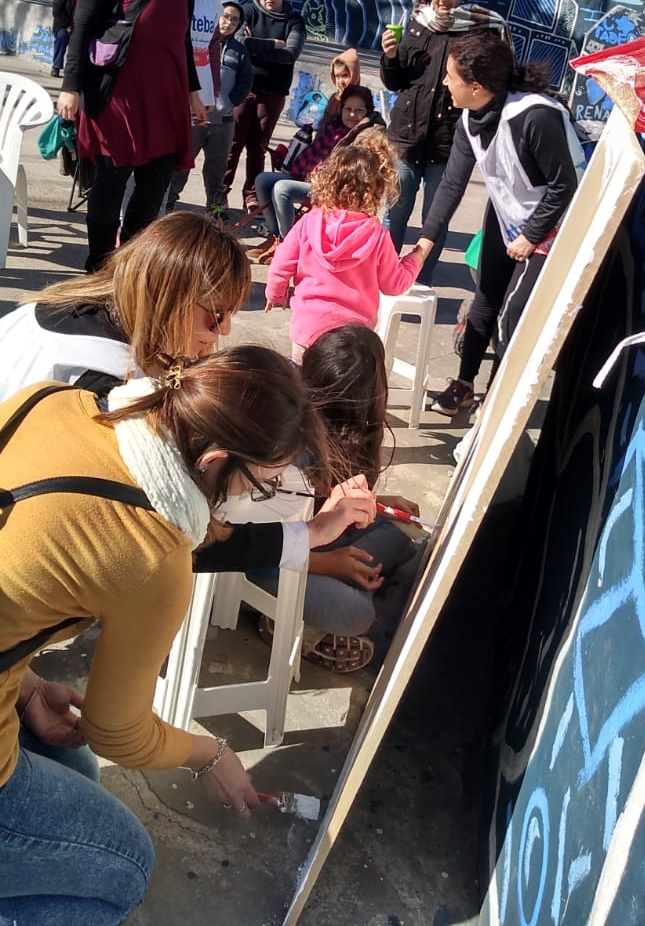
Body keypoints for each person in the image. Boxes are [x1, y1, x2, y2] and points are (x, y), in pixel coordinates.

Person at [0, 346, 375, 924]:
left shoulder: (53, 402)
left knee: (75, 768)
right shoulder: (153, 556)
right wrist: (210, 754)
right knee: (125, 866)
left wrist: (22, 683)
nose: (255, 498)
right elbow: (117, 732)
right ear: (215, 458)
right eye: (262, 484)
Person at [415, 30, 586, 415]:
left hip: (551, 223)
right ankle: (463, 385)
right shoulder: (469, 117)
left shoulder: (535, 116)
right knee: (485, 298)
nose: (445, 83)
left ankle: (496, 401)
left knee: (513, 314)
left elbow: (565, 186)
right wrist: (425, 241)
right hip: (507, 212)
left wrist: (531, 235)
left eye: (451, 77)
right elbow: (452, 183)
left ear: (475, 86)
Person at [248, 324, 422, 672]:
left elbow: (319, 503)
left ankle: (334, 601)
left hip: (307, 544)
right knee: (357, 613)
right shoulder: (288, 445)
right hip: (264, 564)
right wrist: (331, 564)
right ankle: (298, 621)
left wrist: (375, 503)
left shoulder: (321, 431)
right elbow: (255, 550)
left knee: (402, 534)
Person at [57, 0, 207, 273]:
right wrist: (70, 87)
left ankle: (129, 268)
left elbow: (183, 36)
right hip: (117, 96)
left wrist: (194, 92)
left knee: (153, 189)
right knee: (109, 184)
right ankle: (99, 268)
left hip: (165, 98)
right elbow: (82, 28)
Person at [0, 211, 251, 399]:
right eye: (217, 315)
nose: (226, 329)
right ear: (169, 299)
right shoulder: (112, 388)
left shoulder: (68, 302)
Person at [379, 0, 510, 286]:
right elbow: (396, 82)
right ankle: (382, 280)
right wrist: (390, 57)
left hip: (449, 144)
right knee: (394, 213)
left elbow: (493, 87)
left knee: (433, 222)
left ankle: (420, 283)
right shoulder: (417, 23)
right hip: (406, 140)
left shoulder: (481, 31)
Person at [265, 129, 421, 362]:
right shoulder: (376, 235)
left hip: (307, 331)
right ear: (377, 190)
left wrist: (275, 294)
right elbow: (394, 285)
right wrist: (414, 259)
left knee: (302, 381)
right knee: (343, 385)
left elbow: (281, 264)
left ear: (328, 180)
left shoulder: (309, 222)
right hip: (353, 341)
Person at [166, 0, 250, 216]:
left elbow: (243, 79)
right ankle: (168, 202)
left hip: (215, 113)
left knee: (216, 169)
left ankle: (215, 207)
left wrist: (222, 97)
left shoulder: (237, 48)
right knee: (178, 166)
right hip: (178, 100)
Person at [250, 84, 377, 264]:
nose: (351, 114)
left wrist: (319, 177)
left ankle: (290, 246)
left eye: (358, 110)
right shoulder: (334, 126)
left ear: (367, 112)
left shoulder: (364, 136)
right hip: (309, 177)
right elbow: (313, 154)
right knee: (263, 180)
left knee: (282, 189)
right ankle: (275, 236)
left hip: (331, 189)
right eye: (348, 109)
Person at [221, 0, 306, 212]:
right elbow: (238, 41)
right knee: (232, 144)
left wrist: (254, 46)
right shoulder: (247, 11)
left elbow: (290, 54)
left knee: (258, 147)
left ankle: (251, 195)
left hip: (273, 93)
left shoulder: (294, 20)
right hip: (242, 89)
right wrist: (273, 44)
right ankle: (219, 193)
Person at [315, 48, 361, 133]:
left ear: (354, 74)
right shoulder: (334, 98)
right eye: (337, 76)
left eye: (345, 75)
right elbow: (323, 127)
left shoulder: (361, 101)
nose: (340, 81)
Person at [50, 0, 81, 77]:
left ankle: (75, 70)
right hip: (63, 26)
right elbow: (57, 12)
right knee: (62, 36)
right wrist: (67, 25)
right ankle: (56, 66)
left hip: (79, 27)